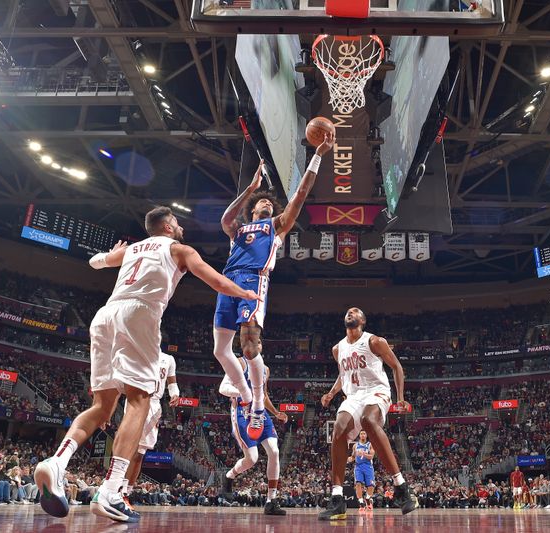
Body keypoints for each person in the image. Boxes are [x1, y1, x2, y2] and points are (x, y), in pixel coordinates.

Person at [34, 206, 259, 523]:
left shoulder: (133, 249)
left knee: (102, 407)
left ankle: (57, 462)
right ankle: (111, 491)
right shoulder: (180, 249)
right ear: (167, 227)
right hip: (138, 315)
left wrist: (107, 257)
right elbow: (217, 281)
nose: (180, 227)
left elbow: (97, 261)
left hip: (105, 317)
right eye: (177, 223)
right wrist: (246, 293)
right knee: (139, 401)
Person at [213, 132, 335, 441]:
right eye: (262, 202)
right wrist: (251, 188)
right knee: (219, 350)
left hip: (254, 279)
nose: (267, 203)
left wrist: (318, 154)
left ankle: (256, 405)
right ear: (253, 209)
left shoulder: (276, 226)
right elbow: (226, 219)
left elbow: (301, 194)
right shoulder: (239, 228)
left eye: (270, 202)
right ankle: (245, 393)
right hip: (228, 282)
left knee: (249, 345)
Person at [318, 307, 418, 520]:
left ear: (363, 320)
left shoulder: (374, 341)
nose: (351, 312)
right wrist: (331, 392)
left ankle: (401, 486)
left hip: (376, 391)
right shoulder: (338, 349)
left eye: (356, 311)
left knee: (368, 420)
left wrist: (400, 398)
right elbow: (343, 375)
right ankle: (337, 499)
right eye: (348, 311)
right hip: (353, 395)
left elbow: (397, 367)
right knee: (338, 428)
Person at [219, 355, 287, 515]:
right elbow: (222, 388)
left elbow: (264, 395)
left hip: (260, 412)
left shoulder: (266, 369)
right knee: (252, 459)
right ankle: (230, 475)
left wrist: (276, 413)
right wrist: (243, 392)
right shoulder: (239, 363)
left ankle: (271, 500)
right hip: (242, 414)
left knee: (275, 451)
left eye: (257, 342)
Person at [123, 351, 181, 501]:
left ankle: (125, 494)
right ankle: (114, 488)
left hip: (154, 404)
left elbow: (172, 382)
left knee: (140, 454)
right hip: (136, 400)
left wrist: (174, 393)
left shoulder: (168, 359)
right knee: (127, 448)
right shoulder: (138, 351)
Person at [348, 430, 375, 511]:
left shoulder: (370, 444)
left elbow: (371, 456)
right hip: (358, 467)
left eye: (364, 433)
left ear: (366, 435)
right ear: (359, 435)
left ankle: (367, 498)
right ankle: (361, 502)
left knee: (370, 486)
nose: (363, 435)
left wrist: (363, 454)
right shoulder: (355, 446)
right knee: (358, 483)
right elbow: (352, 457)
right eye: (361, 434)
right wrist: (349, 459)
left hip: (368, 466)